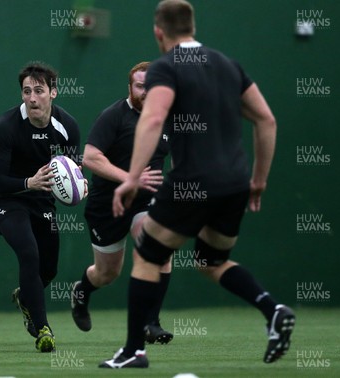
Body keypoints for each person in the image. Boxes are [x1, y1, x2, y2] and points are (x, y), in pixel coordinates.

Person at [100, 0, 294, 368]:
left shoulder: (165, 67)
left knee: (147, 254)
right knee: (211, 259)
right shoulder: (226, 64)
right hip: (235, 183)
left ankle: (132, 351)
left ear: (159, 32)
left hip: (192, 183)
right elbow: (266, 120)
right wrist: (258, 180)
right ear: (192, 26)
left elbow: (153, 117)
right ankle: (273, 309)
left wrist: (132, 177)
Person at [71, 62, 173, 344]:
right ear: (130, 88)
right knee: (107, 273)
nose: (146, 91)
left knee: (158, 244)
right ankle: (82, 292)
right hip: (108, 204)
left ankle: (151, 322)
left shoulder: (165, 117)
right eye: (141, 86)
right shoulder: (114, 116)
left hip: (146, 201)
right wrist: (131, 178)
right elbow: (90, 158)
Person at [0, 62, 81, 353]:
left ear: (53, 92)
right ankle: (42, 329)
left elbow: (75, 169)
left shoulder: (68, 126)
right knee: (29, 252)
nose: (32, 98)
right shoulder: (6, 126)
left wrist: (82, 185)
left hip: (42, 200)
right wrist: (28, 181)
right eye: (27, 91)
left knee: (47, 270)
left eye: (39, 91)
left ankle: (26, 298)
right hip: (7, 199)